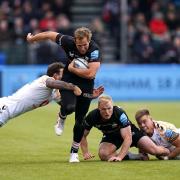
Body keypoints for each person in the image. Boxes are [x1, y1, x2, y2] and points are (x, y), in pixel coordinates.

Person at [26, 27, 101, 162]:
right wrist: (32, 39)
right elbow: (49, 34)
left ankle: (74, 153)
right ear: (75, 41)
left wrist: (72, 68)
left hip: (86, 84)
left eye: (85, 45)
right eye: (79, 45)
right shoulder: (68, 41)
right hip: (69, 79)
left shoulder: (94, 50)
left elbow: (91, 74)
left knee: (80, 120)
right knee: (69, 107)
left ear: (89, 41)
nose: (82, 48)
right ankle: (62, 116)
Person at [80, 95, 170, 162]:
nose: (107, 112)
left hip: (131, 133)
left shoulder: (119, 113)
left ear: (113, 106)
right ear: (98, 108)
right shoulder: (92, 116)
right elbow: (83, 135)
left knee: (154, 150)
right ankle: (135, 156)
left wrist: (119, 157)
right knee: (103, 155)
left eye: (109, 108)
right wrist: (85, 152)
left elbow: (128, 137)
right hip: (112, 136)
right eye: (103, 109)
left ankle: (170, 151)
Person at [0, 62, 82, 126]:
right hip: (4, 108)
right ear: (55, 75)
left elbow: (68, 107)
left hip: (6, 112)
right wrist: (73, 87)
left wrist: (85, 96)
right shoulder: (46, 79)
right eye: (63, 74)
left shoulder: (53, 93)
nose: (65, 76)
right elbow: (52, 83)